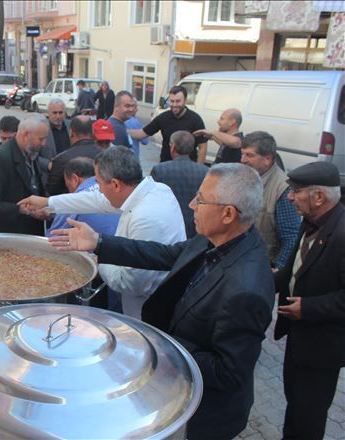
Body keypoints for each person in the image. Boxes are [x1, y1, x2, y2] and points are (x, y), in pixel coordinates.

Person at [49, 163, 275, 440]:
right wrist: (98, 243)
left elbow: (227, 371)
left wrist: (156, 343)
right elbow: (165, 254)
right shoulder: (217, 239)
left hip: (206, 415)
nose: (191, 204)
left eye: (201, 199)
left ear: (228, 213)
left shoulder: (245, 288)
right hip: (179, 384)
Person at [19, 146, 186, 318]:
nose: (97, 189)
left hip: (149, 310)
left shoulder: (146, 218)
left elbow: (131, 283)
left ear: (115, 184)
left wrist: (94, 259)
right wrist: (48, 202)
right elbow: (98, 200)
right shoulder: (154, 189)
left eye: (98, 183)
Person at [274, 161, 344, 440]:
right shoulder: (311, 220)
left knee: (309, 416)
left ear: (319, 196)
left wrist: (310, 308)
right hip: (298, 337)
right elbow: (296, 267)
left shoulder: (341, 234)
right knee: (295, 402)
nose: (290, 196)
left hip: (322, 347)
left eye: (296, 191)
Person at [0, 116, 49, 235]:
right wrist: (21, 210)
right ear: (26, 135)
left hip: (29, 232)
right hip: (8, 235)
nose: (44, 143)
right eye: (41, 139)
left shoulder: (31, 150)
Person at [240, 131, 300, 270]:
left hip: (262, 267)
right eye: (242, 153)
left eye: (249, 155)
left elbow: (291, 238)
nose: (242, 160)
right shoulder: (246, 177)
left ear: (267, 159)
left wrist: (275, 272)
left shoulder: (282, 189)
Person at [150, 130, 208, 238]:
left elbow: (152, 201)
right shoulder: (205, 171)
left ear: (173, 147)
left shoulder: (160, 170)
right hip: (195, 228)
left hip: (167, 227)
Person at [129, 85, 208, 163]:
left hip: (188, 168)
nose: (174, 105)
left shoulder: (195, 119)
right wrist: (121, 129)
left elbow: (203, 147)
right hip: (166, 166)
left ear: (185, 100)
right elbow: (142, 133)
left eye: (178, 101)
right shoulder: (163, 117)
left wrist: (199, 169)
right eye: (172, 101)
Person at [46, 156, 119, 238]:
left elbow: (53, 237)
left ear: (75, 179)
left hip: (93, 249)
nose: (69, 190)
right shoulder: (112, 193)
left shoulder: (70, 202)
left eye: (68, 186)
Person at [46, 115, 101, 196]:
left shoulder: (62, 159)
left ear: (71, 132)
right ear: (93, 132)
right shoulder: (106, 156)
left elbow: (52, 191)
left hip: (67, 206)